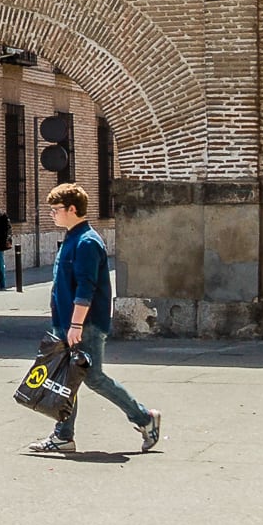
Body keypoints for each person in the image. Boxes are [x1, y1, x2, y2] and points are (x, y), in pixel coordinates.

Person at [28, 183, 161, 456]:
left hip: (83, 325)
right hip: (68, 323)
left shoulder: (87, 242)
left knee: (94, 378)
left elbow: (85, 288)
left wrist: (76, 324)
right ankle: (63, 436)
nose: (52, 214)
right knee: (67, 380)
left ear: (72, 209)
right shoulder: (72, 237)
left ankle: (145, 418)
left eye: (56, 209)